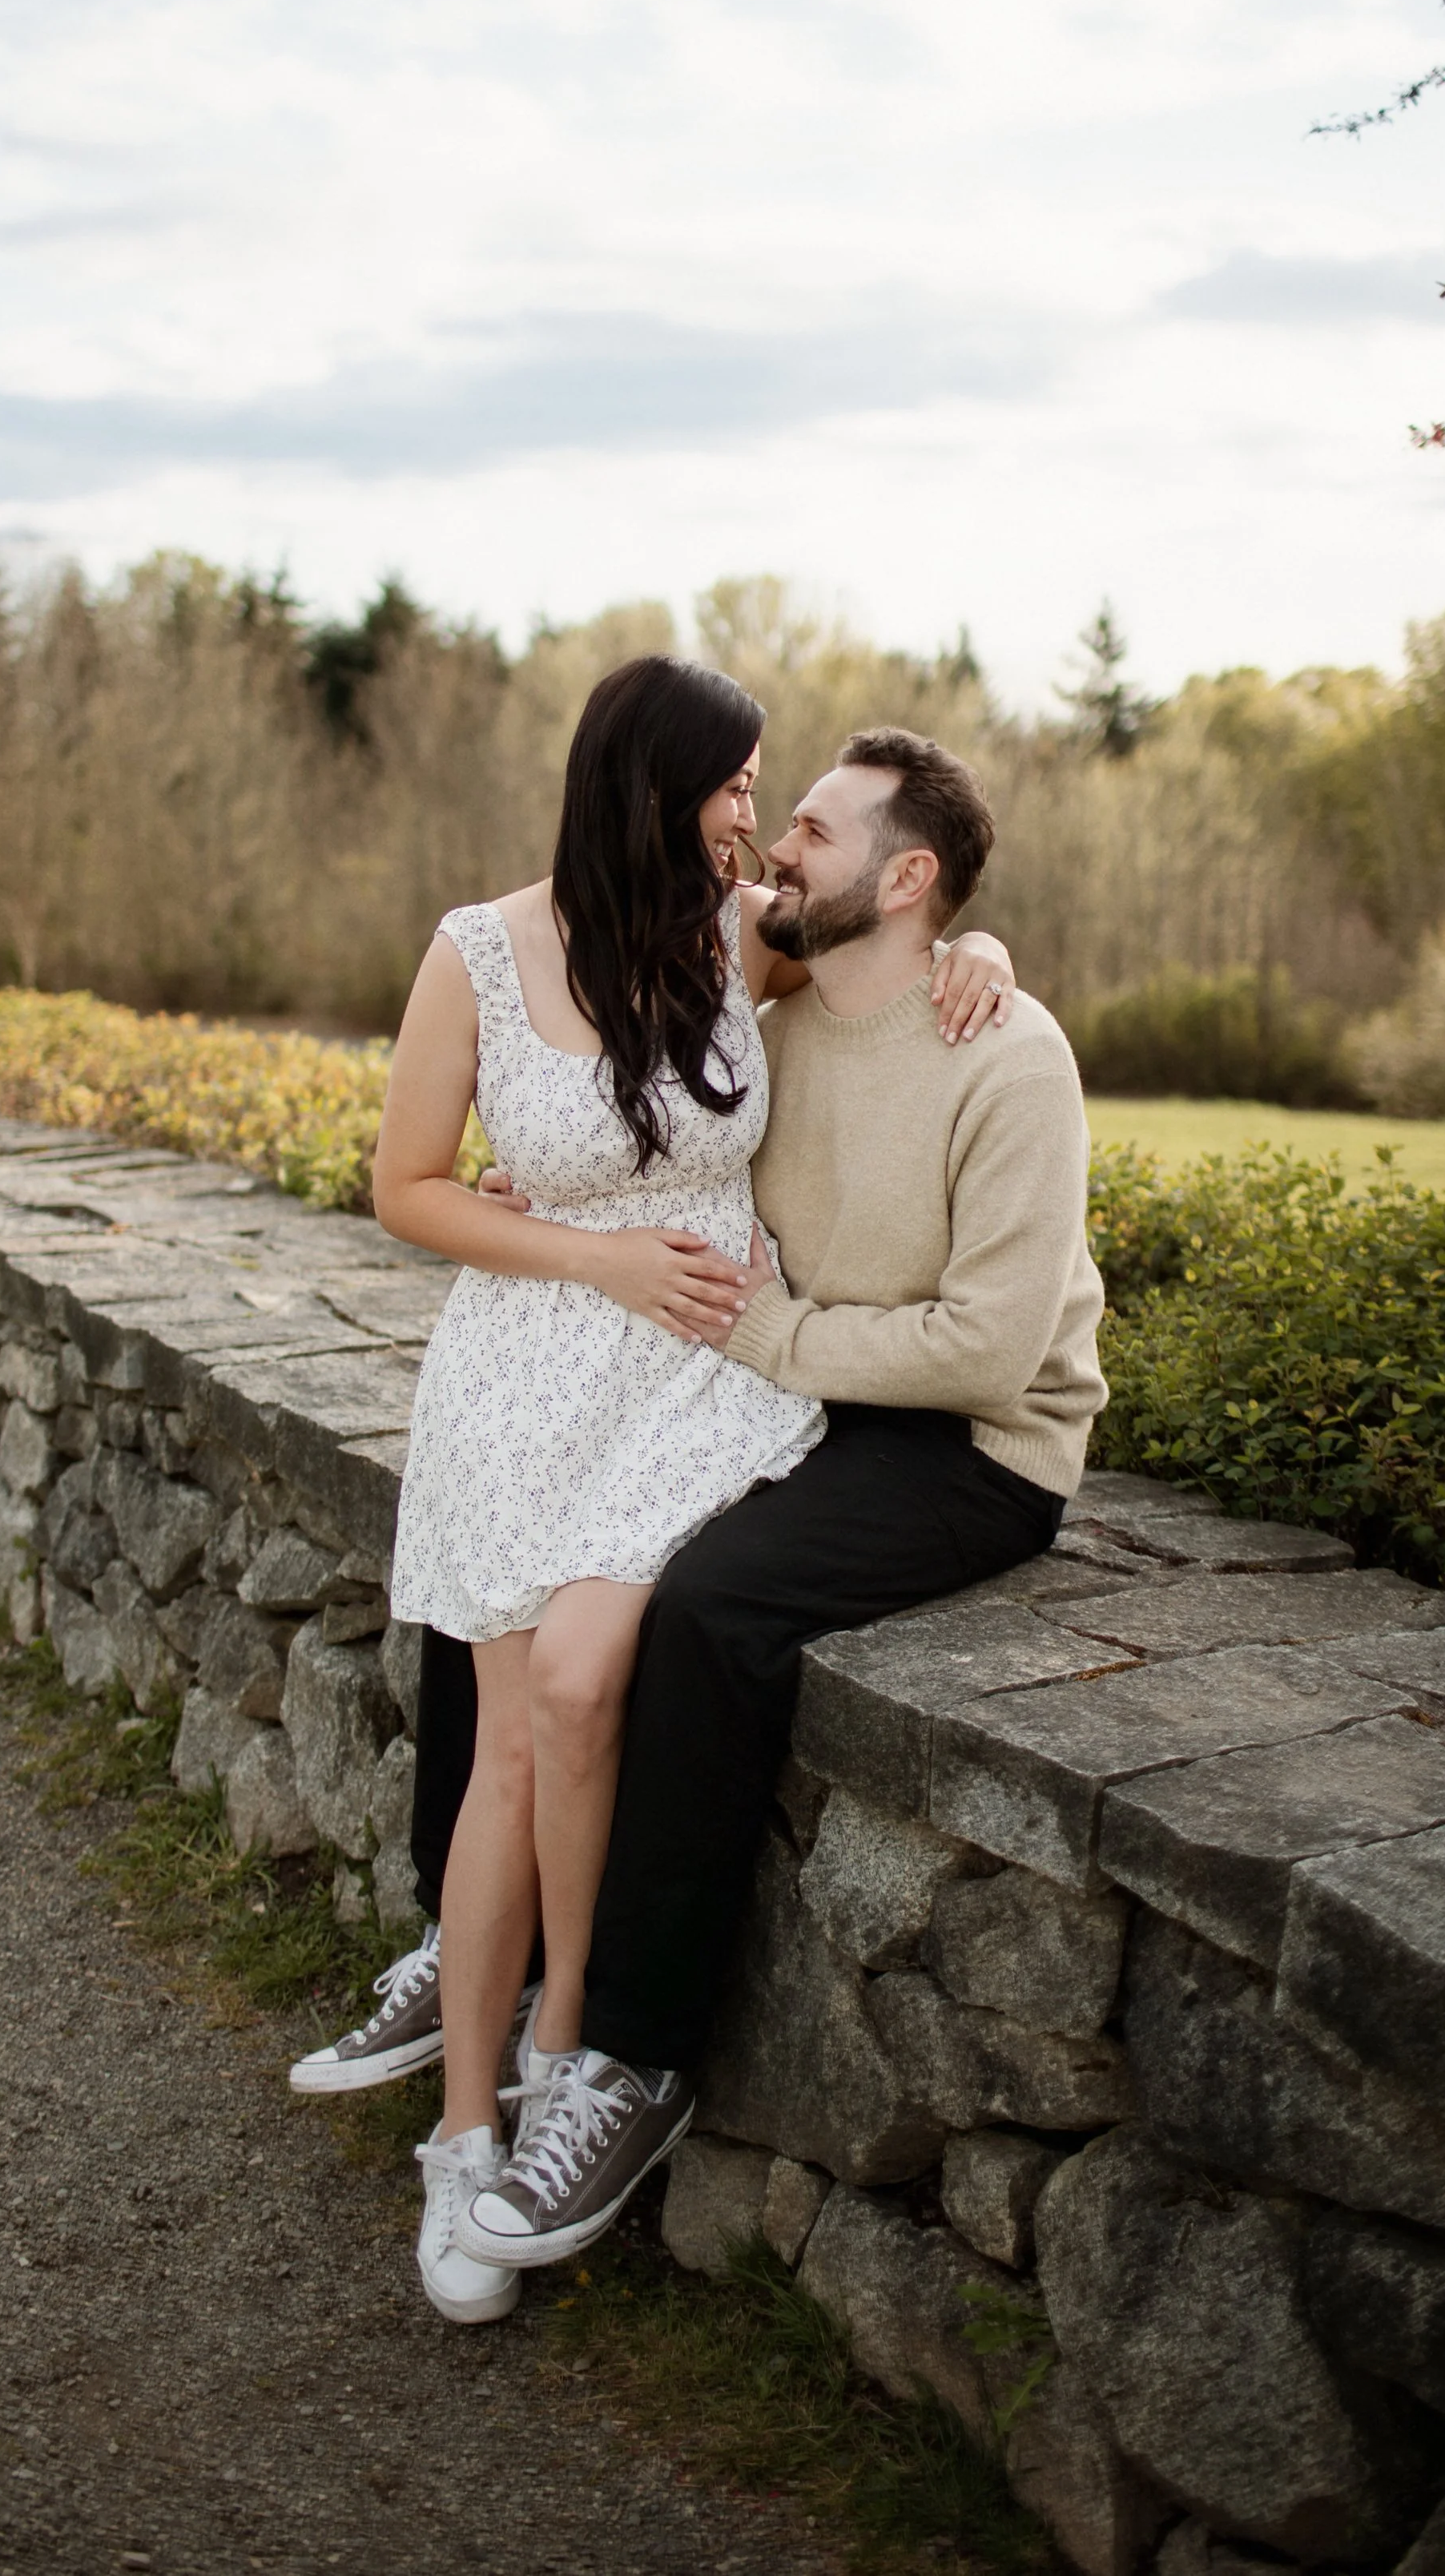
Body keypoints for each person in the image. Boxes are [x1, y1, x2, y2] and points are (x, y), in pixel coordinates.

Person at [285, 661, 1018, 2325]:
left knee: (580, 1677)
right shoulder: (475, 949)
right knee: (513, 1747)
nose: (755, 819)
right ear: (652, 779)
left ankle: (564, 2061)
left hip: (696, 1375)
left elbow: (901, 926)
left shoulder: (737, 927)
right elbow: (402, 1188)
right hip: (529, 1366)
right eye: (736, 786)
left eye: (765, 795)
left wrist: (976, 947)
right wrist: (588, 1255)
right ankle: (463, 2131)